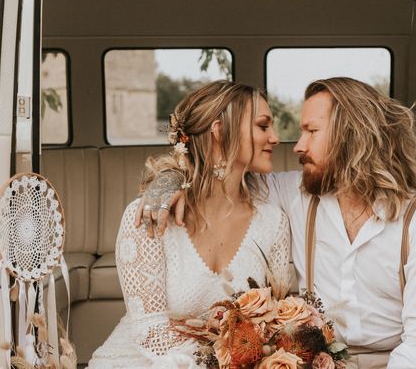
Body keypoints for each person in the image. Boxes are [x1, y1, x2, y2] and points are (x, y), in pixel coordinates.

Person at [139, 77, 416, 369]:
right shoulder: (295, 194)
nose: (297, 145)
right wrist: (169, 178)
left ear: (353, 136)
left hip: (401, 360)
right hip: (319, 361)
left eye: (311, 131)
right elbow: (218, 175)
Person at [89, 80, 290, 368]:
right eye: (262, 126)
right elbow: (151, 334)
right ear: (219, 131)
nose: (275, 138)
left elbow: (273, 321)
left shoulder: (273, 222)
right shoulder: (151, 215)